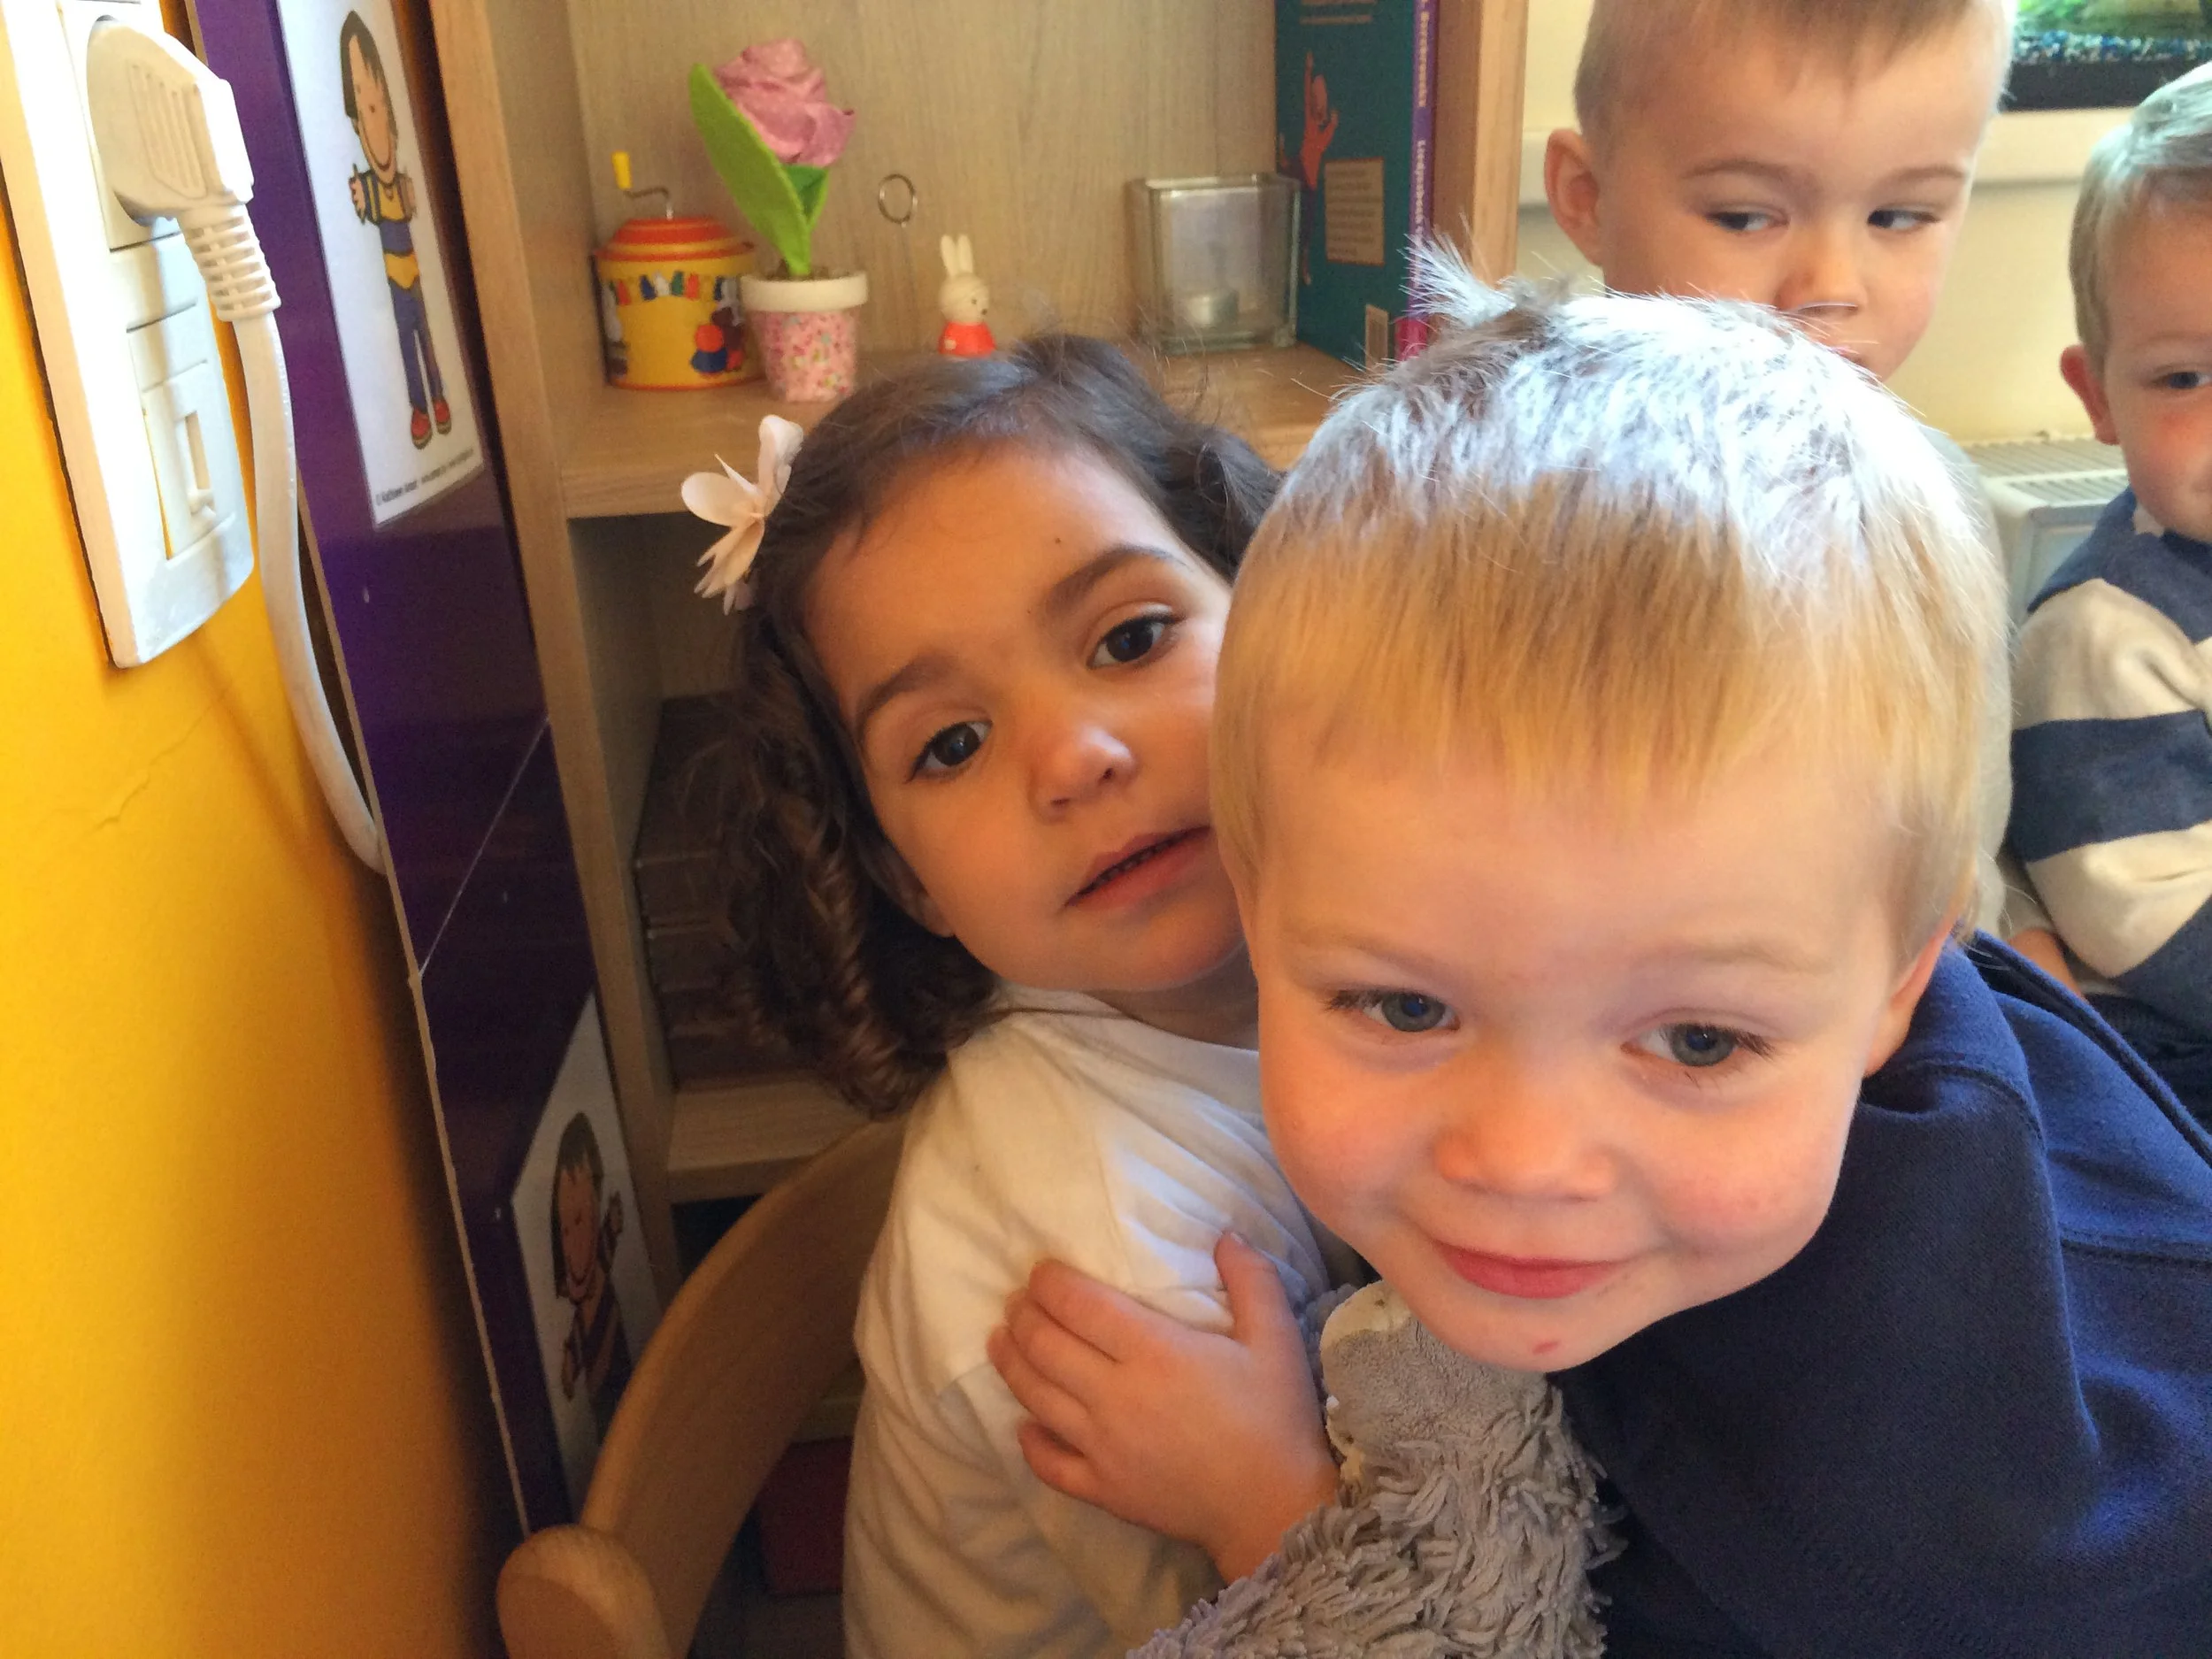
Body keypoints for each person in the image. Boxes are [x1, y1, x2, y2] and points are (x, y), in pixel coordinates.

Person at [989, 279, 2212, 1655]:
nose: (1522, 1161)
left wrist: (1275, 1514)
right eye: (1406, 1005)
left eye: (1698, 1041)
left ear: (1900, 980)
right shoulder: (1781, 943)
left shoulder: (1933, 1552)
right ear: (1258, 912)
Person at [697, 336, 1357, 1658]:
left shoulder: (1343, 948)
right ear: (906, 880)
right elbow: (1295, 1629)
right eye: (950, 743)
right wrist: (1280, 1501)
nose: (1072, 756)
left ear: (1275, 604)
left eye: (1130, 637)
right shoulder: (1104, 1260)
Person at [1539, 0, 2055, 961]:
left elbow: (1964, 833)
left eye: (1899, 217)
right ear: (1586, 197)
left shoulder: (1938, 496)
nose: (1829, 285)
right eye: (1744, 216)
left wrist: (2009, 935)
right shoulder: (1520, 500)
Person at [2010, 64, 2212, 1125]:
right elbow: (2143, 916)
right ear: (2097, 395)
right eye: (2186, 379)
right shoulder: (2109, 630)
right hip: (2169, 1056)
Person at [340, 11, 449, 450]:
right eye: (366, 110)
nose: (377, 122)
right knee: (406, 341)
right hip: (393, 283)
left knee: (426, 335)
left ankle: (438, 396)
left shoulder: (405, 183)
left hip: (416, 276)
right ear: (356, 125)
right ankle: (420, 406)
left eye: (381, 105)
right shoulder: (367, 186)